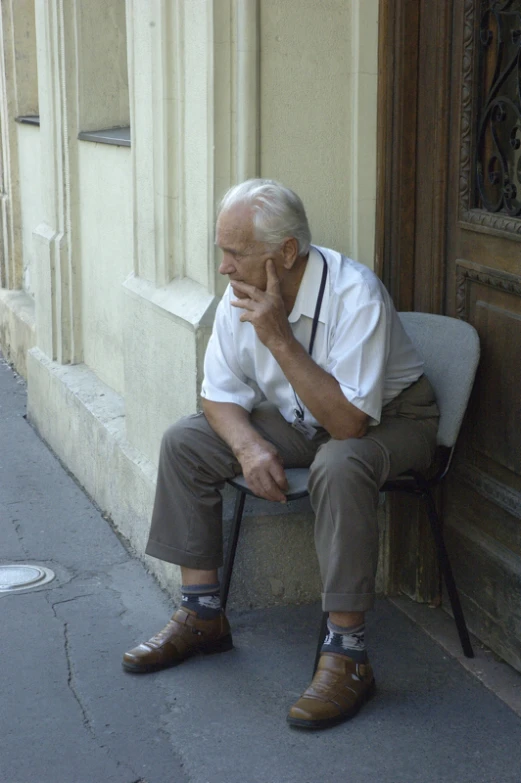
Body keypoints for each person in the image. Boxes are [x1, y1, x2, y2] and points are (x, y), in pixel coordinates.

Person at [122, 179, 439, 730]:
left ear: (286, 253)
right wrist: (247, 447)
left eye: (235, 252)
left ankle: (347, 655)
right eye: (222, 250)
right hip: (303, 415)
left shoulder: (355, 294)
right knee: (187, 440)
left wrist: (278, 339)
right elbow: (217, 394)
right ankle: (202, 615)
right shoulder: (239, 292)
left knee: (339, 463)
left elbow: (348, 424)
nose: (223, 268)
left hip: (394, 420)